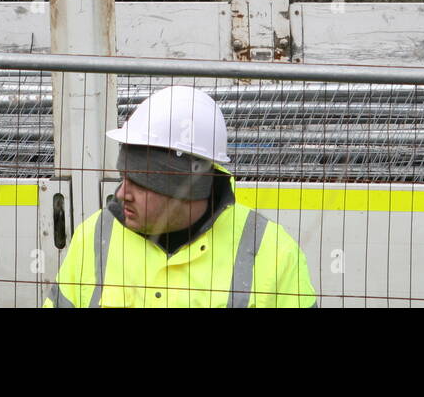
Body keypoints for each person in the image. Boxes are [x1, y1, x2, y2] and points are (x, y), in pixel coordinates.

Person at [45, 85, 317, 308]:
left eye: (139, 183)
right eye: (123, 177)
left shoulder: (273, 251)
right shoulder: (93, 237)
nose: (121, 194)